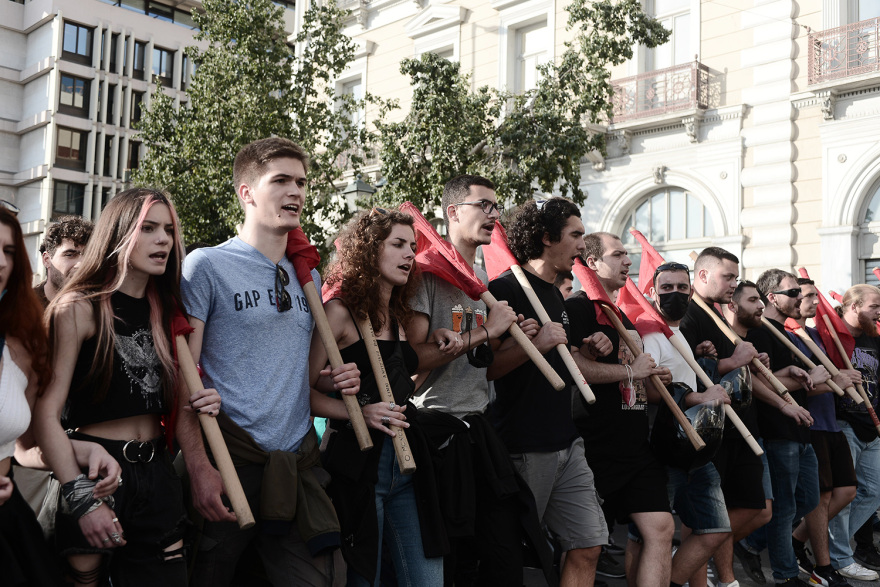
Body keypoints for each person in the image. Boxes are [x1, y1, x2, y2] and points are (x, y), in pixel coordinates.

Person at [178, 137, 356, 586]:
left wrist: (335, 382)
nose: (295, 191)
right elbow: (183, 378)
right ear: (247, 192)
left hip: (296, 462)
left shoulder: (308, 275)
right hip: (229, 460)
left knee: (327, 579)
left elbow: (302, 375)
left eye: (300, 181)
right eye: (280, 180)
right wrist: (199, 467)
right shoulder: (206, 266)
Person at [34, 189, 221, 587]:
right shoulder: (77, 309)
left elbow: (180, 402)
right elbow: (44, 415)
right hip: (93, 472)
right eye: (148, 228)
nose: (164, 240)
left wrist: (202, 400)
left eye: (169, 230)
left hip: (158, 472)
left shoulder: (169, 312)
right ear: (118, 233)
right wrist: (81, 499)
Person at [405, 175, 552, 586]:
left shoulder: (482, 281)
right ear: (453, 212)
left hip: (478, 430)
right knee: (456, 562)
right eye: (483, 206)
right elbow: (414, 359)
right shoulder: (425, 274)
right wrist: (486, 331)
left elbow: (483, 368)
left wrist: (519, 340)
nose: (494, 215)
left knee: (504, 557)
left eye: (496, 206)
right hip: (437, 435)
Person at [310, 208, 447, 586]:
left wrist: (441, 347)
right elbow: (301, 392)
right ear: (370, 251)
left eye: (413, 247)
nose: (409, 255)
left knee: (426, 580)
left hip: (407, 466)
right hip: (358, 466)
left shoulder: (399, 317)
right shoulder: (339, 313)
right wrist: (358, 412)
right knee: (362, 578)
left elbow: (405, 384)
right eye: (398, 244)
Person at [489, 198, 615, 587]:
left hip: (567, 441)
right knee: (517, 555)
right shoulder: (502, 290)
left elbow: (563, 353)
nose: (582, 244)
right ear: (546, 238)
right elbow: (488, 369)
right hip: (525, 446)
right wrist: (536, 346)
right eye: (575, 235)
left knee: (588, 544)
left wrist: (587, 350)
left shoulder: (555, 294)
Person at [566, 231, 675, 587]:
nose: (628, 261)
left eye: (628, 254)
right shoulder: (578, 308)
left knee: (660, 527)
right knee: (586, 547)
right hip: (595, 445)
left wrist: (656, 378)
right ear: (592, 262)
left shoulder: (623, 317)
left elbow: (639, 383)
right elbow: (575, 371)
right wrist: (631, 370)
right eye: (618, 255)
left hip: (635, 444)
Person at [679, 249, 772, 586]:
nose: (734, 282)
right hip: (708, 429)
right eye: (728, 276)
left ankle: (697, 560)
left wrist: (747, 358)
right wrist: (733, 363)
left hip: (739, 426)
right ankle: (704, 575)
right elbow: (683, 376)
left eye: (736, 276)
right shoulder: (689, 314)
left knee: (756, 507)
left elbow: (731, 361)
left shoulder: (718, 314)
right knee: (705, 516)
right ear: (702, 276)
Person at [639, 261, 732, 587]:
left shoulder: (679, 333)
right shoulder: (650, 334)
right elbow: (649, 390)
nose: (675, 294)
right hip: (662, 445)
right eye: (667, 288)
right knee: (646, 536)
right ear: (652, 292)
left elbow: (683, 376)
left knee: (716, 528)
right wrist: (698, 398)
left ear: (691, 292)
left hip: (694, 445)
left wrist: (702, 358)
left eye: (681, 288)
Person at [739, 270, 829, 587]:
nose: (800, 299)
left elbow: (798, 381)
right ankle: (786, 575)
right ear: (772, 298)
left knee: (808, 500)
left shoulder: (787, 333)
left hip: (800, 428)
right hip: (778, 429)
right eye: (793, 293)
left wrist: (812, 378)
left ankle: (751, 544)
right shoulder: (762, 332)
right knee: (786, 505)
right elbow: (761, 382)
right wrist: (812, 378)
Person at [789, 277, 859, 586]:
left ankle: (795, 538)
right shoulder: (786, 336)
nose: (815, 302)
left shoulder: (816, 333)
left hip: (831, 423)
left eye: (816, 296)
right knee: (822, 495)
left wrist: (841, 376)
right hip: (811, 425)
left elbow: (829, 374)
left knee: (847, 492)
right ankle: (823, 566)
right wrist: (833, 382)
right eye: (807, 296)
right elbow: (794, 388)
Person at [827, 285, 880, 580]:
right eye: (874, 306)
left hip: (873, 426)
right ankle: (840, 557)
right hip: (843, 423)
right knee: (845, 494)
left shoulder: (874, 338)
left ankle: (830, 541)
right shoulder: (832, 336)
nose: (878, 312)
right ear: (855, 306)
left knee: (873, 491)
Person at [35, 215, 94, 307]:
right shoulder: (22, 305)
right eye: (70, 255)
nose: (81, 264)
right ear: (46, 260)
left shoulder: (103, 308)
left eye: (88, 256)